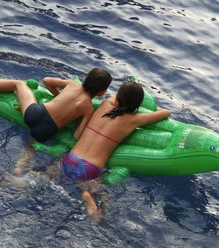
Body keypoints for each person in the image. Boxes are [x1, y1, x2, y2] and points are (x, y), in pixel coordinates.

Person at [60, 81, 170, 222]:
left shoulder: (105, 105)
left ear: (117, 98)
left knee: (47, 175)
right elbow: (166, 113)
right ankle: (89, 200)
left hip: (70, 159)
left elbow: (114, 99)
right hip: (89, 169)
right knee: (102, 207)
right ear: (137, 106)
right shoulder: (134, 120)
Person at [0, 68, 112, 142]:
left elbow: (46, 81)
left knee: (18, 84)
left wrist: (58, 96)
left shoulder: (72, 84)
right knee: (30, 149)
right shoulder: (88, 108)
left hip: (35, 113)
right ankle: (18, 175)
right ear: (101, 92)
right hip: (47, 131)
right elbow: (77, 135)